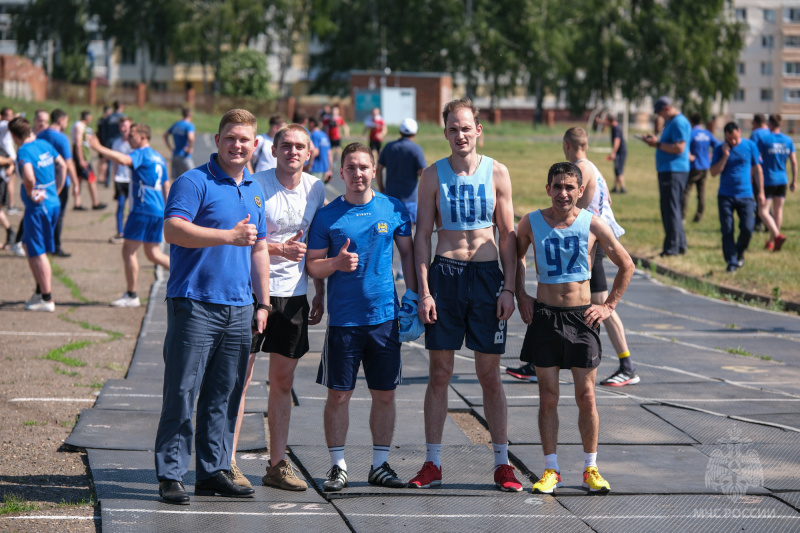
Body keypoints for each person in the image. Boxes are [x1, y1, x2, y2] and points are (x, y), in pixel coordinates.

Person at [153, 109, 266, 505]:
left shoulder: (254, 188)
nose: (237, 145)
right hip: (195, 302)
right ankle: (171, 474)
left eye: (245, 140)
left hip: (239, 306)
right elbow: (172, 229)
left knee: (225, 393)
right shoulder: (192, 181)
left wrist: (262, 302)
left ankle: (214, 470)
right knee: (182, 391)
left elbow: (259, 248)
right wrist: (227, 235)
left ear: (255, 145)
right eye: (230, 138)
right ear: (216, 141)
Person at [411, 98, 522, 492]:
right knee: (439, 373)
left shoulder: (498, 172)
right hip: (446, 274)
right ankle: (432, 462)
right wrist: (424, 291)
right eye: (453, 129)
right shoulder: (431, 175)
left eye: (466, 127)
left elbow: (508, 236)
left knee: (489, 375)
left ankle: (502, 463)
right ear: (445, 133)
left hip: (488, 276)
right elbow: (422, 236)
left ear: (478, 130)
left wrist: (509, 287)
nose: (460, 135)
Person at [516, 161, 634, 494]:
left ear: (581, 191)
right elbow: (515, 255)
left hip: (581, 318)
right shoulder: (531, 221)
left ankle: (591, 468)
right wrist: (519, 293)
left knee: (586, 397)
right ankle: (551, 470)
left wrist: (608, 306)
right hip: (545, 317)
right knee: (548, 397)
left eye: (570, 187)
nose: (563, 193)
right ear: (548, 188)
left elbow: (627, 264)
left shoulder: (593, 224)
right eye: (557, 186)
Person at [306, 142, 418, 493]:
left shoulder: (393, 208)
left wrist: (415, 297)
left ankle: (380, 464)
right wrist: (335, 264)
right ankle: (338, 465)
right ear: (341, 173)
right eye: (350, 168)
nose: (357, 174)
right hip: (344, 321)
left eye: (363, 167)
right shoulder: (327, 216)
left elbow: (409, 256)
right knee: (339, 394)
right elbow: (313, 265)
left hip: (385, 318)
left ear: (374, 171)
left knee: (385, 394)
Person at [229, 124, 326, 491]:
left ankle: (276, 465)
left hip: (296, 295)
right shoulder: (255, 185)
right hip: (254, 292)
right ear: (273, 149)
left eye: (299, 146)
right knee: (241, 380)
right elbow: (244, 239)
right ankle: (228, 462)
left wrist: (320, 290)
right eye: (285, 145)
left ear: (310, 152)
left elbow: (317, 244)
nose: (292, 151)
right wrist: (279, 249)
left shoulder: (316, 189)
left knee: (282, 383)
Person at [87, 123, 171, 307]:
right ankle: (189, 275)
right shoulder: (158, 157)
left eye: (132, 135)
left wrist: (99, 148)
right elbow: (166, 184)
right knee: (153, 253)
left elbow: (124, 160)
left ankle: (131, 295)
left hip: (142, 208)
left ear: (143, 137)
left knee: (129, 250)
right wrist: (169, 209)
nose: (128, 138)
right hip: (158, 209)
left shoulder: (142, 153)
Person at [9, 117, 67, 312]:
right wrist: (56, 191)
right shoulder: (43, 143)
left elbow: (29, 176)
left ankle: (47, 298)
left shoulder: (23, 151)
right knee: (28, 244)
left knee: (37, 252)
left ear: (14, 136)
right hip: (53, 203)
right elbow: (63, 165)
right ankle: (39, 290)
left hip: (38, 207)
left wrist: (30, 191)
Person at [709, 122, 764, 272]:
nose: (732, 142)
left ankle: (739, 251)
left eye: (734, 138)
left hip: (745, 195)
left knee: (748, 228)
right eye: (729, 139)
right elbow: (713, 172)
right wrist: (725, 157)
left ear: (739, 132)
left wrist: (761, 192)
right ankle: (732, 262)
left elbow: (757, 169)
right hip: (725, 196)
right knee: (727, 229)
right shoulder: (720, 149)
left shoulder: (750, 145)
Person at [643, 96, 691, 257]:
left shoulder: (679, 122)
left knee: (670, 210)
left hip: (674, 171)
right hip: (670, 170)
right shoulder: (672, 122)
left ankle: (672, 248)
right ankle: (680, 244)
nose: (660, 116)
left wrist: (657, 144)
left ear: (667, 108)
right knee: (673, 209)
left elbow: (679, 148)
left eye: (660, 113)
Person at [37, 109, 78, 257]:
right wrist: (76, 183)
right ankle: (55, 246)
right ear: (61, 121)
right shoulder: (62, 139)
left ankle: (41, 244)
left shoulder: (40, 135)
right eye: (66, 121)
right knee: (58, 215)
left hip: (43, 181)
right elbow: (68, 163)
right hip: (60, 182)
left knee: (43, 213)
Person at [375, 118, 426, 226]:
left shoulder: (389, 146)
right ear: (415, 133)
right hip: (409, 198)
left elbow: (378, 169)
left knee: (389, 230)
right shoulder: (416, 149)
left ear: (400, 131)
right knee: (408, 231)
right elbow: (423, 172)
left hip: (390, 196)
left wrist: (382, 188)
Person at [755, 114, 794, 251]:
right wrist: (794, 180)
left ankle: (776, 236)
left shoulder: (764, 139)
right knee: (778, 211)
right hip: (783, 179)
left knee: (763, 211)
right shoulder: (788, 140)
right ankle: (772, 242)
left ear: (770, 124)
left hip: (768, 179)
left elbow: (757, 159)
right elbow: (794, 161)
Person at [684, 113, 722, 223]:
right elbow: (718, 146)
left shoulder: (691, 133)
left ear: (691, 122)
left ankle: (682, 216)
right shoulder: (707, 133)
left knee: (686, 191)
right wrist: (711, 154)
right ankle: (699, 216)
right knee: (701, 193)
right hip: (705, 166)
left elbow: (684, 146)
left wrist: (689, 155)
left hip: (693, 166)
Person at [71, 110, 106, 211]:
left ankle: (77, 203)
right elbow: (78, 144)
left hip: (82, 156)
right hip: (82, 158)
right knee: (91, 179)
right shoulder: (80, 126)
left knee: (79, 179)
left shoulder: (82, 126)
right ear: (87, 117)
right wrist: (81, 159)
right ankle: (95, 203)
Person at [109, 117, 133, 244]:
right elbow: (114, 163)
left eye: (125, 126)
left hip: (131, 180)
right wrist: (114, 177)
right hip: (120, 179)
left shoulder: (133, 143)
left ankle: (130, 232)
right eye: (121, 126)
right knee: (120, 206)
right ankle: (120, 232)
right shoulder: (116, 143)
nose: (123, 129)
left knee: (132, 208)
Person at [750, 114, 770, 233]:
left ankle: (761, 223)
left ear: (756, 123)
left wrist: (751, 174)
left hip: (759, 172)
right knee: (767, 200)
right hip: (771, 173)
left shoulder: (756, 134)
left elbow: (752, 154)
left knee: (758, 198)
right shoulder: (770, 132)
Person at [164, 107, 196, 181]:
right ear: (191, 115)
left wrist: (170, 147)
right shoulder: (189, 125)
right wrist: (190, 148)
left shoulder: (176, 124)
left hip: (175, 154)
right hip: (184, 155)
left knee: (176, 179)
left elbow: (165, 135)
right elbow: (191, 138)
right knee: (194, 176)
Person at [0, 107, 19, 216]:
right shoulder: (3, 124)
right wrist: (17, 118)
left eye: (12, 114)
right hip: (7, 160)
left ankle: (9, 205)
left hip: (9, 159)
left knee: (10, 182)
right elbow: (10, 124)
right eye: (9, 115)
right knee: (9, 183)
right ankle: (10, 206)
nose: (11, 117)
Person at [605, 114, 627, 193]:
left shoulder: (616, 128)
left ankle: (623, 188)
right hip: (619, 152)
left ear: (610, 121)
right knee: (616, 169)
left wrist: (613, 152)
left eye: (607, 121)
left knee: (619, 169)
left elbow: (617, 140)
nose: (606, 123)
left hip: (620, 152)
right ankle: (615, 187)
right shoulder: (615, 126)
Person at [307, 117, 333, 183]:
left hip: (316, 168)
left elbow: (315, 151)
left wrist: (309, 165)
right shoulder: (324, 135)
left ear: (312, 124)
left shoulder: (314, 135)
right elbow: (329, 153)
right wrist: (329, 170)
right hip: (324, 169)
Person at [96, 105, 112, 190]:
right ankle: (103, 177)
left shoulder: (100, 120)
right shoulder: (106, 121)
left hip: (100, 142)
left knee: (101, 160)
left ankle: (100, 176)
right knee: (104, 160)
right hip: (104, 142)